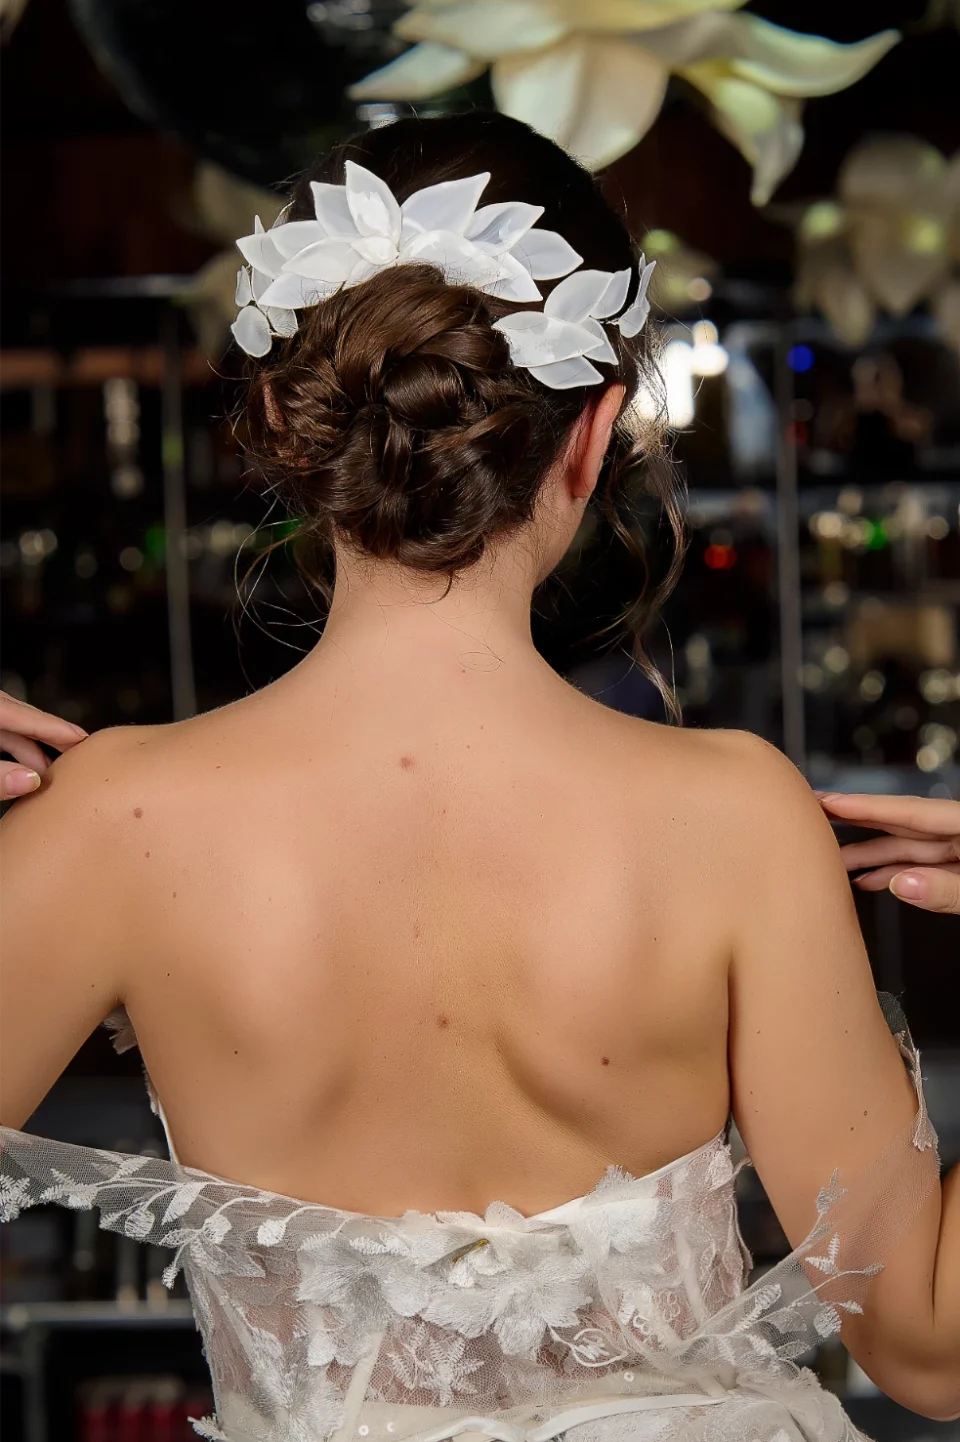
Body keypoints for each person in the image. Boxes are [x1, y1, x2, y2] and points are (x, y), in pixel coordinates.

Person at [0, 112, 958, 1441]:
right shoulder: (737, 819)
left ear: (281, 417)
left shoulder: (115, 823)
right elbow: (929, 1349)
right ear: (596, 434)